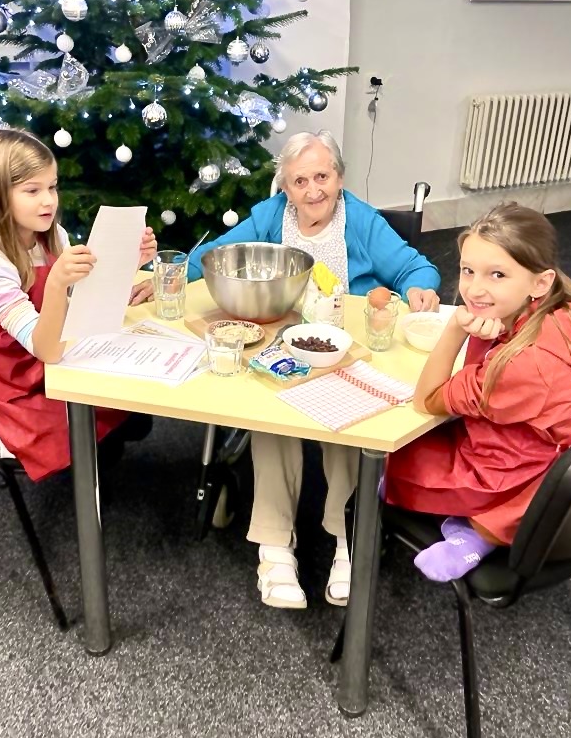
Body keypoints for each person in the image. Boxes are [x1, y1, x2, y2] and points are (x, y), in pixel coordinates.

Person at [188, 130, 441, 609]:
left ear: (339, 178)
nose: (312, 191)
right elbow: (213, 255)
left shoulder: (360, 221)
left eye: (322, 177)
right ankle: (273, 545)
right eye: (299, 181)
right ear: (285, 187)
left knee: (347, 423)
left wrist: (419, 289)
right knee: (270, 419)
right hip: (280, 347)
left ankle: (347, 538)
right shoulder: (270, 218)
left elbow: (416, 268)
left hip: (343, 350)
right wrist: (169, 271)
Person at [382, 202, 571, 581]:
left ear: (540, 283)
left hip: (510, 477)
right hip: (549, 462)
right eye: (468, 270)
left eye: (497, 274)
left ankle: (481, 531)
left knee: (385, 461)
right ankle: (483, 529)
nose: (475, 289)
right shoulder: (569, 313)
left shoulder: (519, 368)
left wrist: (457, 328)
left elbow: (427, 400)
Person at [0, 128, 157, 481]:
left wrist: (130, 262)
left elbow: (85, 299)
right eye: (32, 191)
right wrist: (58, 284)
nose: (49, 201)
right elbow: (45, 348)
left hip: (47, 354)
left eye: (52, 187)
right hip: (9, 379)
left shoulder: (52, 236)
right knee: (84, 445)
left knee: (132, 415)